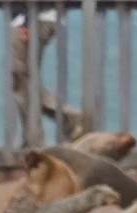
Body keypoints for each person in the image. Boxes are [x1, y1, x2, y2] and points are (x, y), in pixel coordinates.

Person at [9, 8, 83, 143]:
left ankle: (34, 141)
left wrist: (27, 21)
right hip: (36, 16)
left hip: (35, 16)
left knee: (20, 76)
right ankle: (69, 120)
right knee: (23, 79)